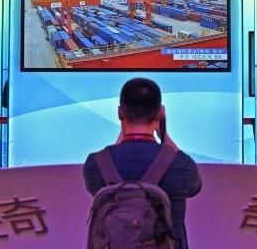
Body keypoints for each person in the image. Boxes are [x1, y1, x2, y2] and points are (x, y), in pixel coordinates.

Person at [84, 78, 202, 249]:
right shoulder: (180, 164)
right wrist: (165, 136)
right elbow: (195, 186)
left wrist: (123, 130)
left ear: (119, 113)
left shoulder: (96, 164)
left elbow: (97, 183)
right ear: (160, 115)